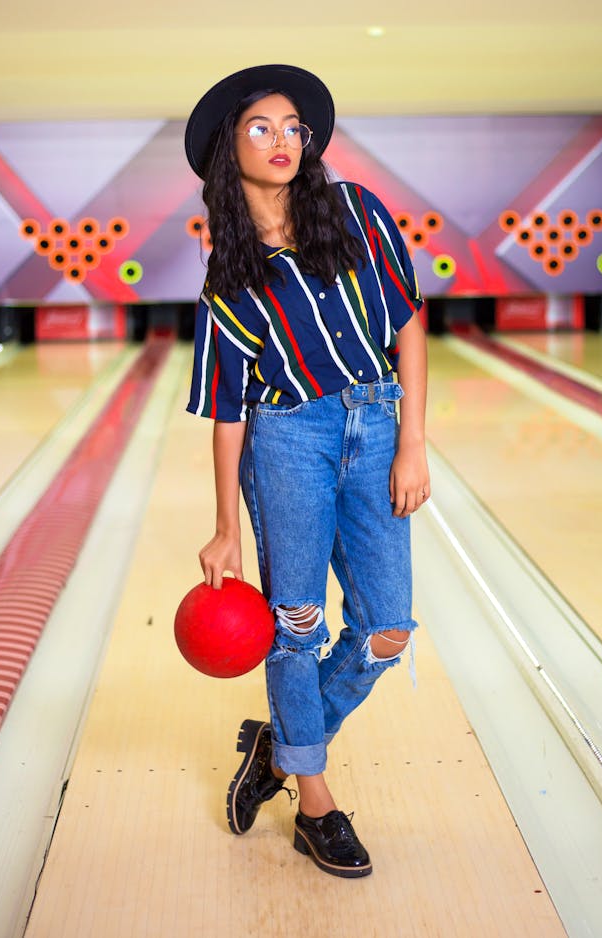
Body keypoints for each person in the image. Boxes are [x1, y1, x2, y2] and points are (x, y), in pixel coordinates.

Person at [184, 64, 429, 879]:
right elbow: (226, 408)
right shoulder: (229, 272)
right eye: (262, 127)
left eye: (293, 126)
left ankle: (279, 750)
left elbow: (408, 325)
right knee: (297, 626)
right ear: (230, 148)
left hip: (376, 417)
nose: (283, 139)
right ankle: (315, 806)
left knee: (387, 628)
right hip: (286, 436)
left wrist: (414, 441)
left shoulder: (355, 209)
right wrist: (225, 527)